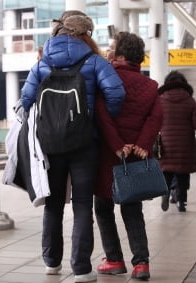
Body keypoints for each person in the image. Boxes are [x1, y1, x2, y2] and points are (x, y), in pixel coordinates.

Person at [21, 10, 125, 283]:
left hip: (50, 143)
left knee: (53, 205)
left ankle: (51, 263)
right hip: (84, 143)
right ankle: (81, 269)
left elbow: (25, 100)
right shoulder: (94, 61)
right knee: (82, 205)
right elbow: (116, 92)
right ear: (85, 34)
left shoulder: (42, 63)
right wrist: (96, 121)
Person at [94, 32, 162, 281]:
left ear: (121, 55)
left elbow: (102, 115)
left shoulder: (106, 80)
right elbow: (156, 117)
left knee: (103, 206)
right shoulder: (151, 85)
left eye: (111, 48)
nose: (108, 52)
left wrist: (116, 145)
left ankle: (113, 259)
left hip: (109, 155)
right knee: (133, 208)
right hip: (135, 156)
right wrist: (142, 144)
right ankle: (141, 263)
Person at [158, 70, 196, 212]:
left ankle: (166, 194)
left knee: (166, 172)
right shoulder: (189, 100)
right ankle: (181, 201)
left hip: (166, 142)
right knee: (182, 174)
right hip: (185, 144)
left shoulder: (160, 100)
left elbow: (154, 121)